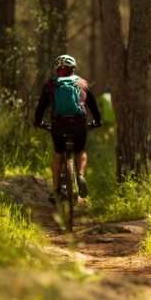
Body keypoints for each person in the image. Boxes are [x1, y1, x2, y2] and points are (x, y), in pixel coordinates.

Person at [34, 54, 101, 203]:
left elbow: (40, 108)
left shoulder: (51, 85)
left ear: (57, 69)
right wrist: (97, 121)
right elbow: (93, 106)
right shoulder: (82, 83)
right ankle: (81, 175)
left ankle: (56, 190)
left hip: (59, 125)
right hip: (79, 124)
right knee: (80, 151)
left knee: (58, 154)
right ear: (73, 68)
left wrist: (38, 122)